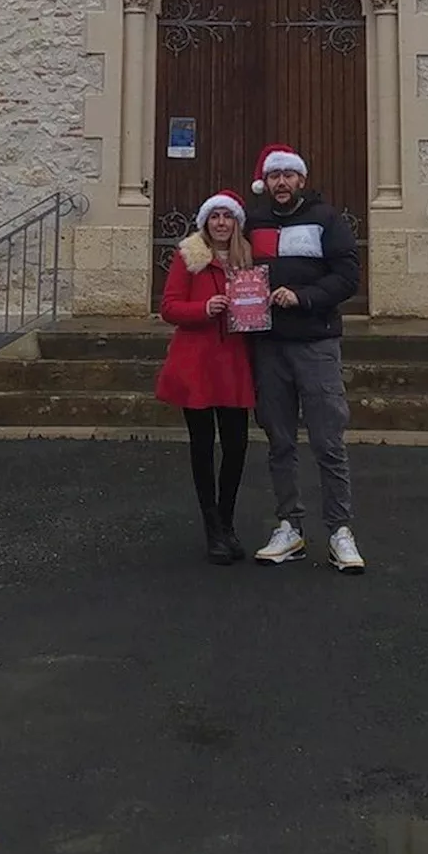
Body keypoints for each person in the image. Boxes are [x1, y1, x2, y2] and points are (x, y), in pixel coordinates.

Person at [245, 143, 365, 573]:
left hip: (316, 344)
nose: (281, 183)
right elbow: (224, 258)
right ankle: (289, 527)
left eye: (288, 175)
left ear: (301, 180)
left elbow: (348, 276)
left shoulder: (327, 219)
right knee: (279, 442)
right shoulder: (253, 222)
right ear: (266, 182)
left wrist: (305, 297)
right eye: (274, 176)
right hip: (269, 345)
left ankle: (340, 531)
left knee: (328, 441)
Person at [155, 192, 256, 565]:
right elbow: (169, 307)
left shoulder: (247, 261)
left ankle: (227, 521)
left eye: (228, 217)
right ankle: (212, 527)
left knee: (236, 445)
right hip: (197, 362)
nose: (221, 223)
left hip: (233, 363)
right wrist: (203, 308)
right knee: (202, 446)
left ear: (236, 223)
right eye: (214, 217)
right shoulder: (190, 257)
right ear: (205, 222)